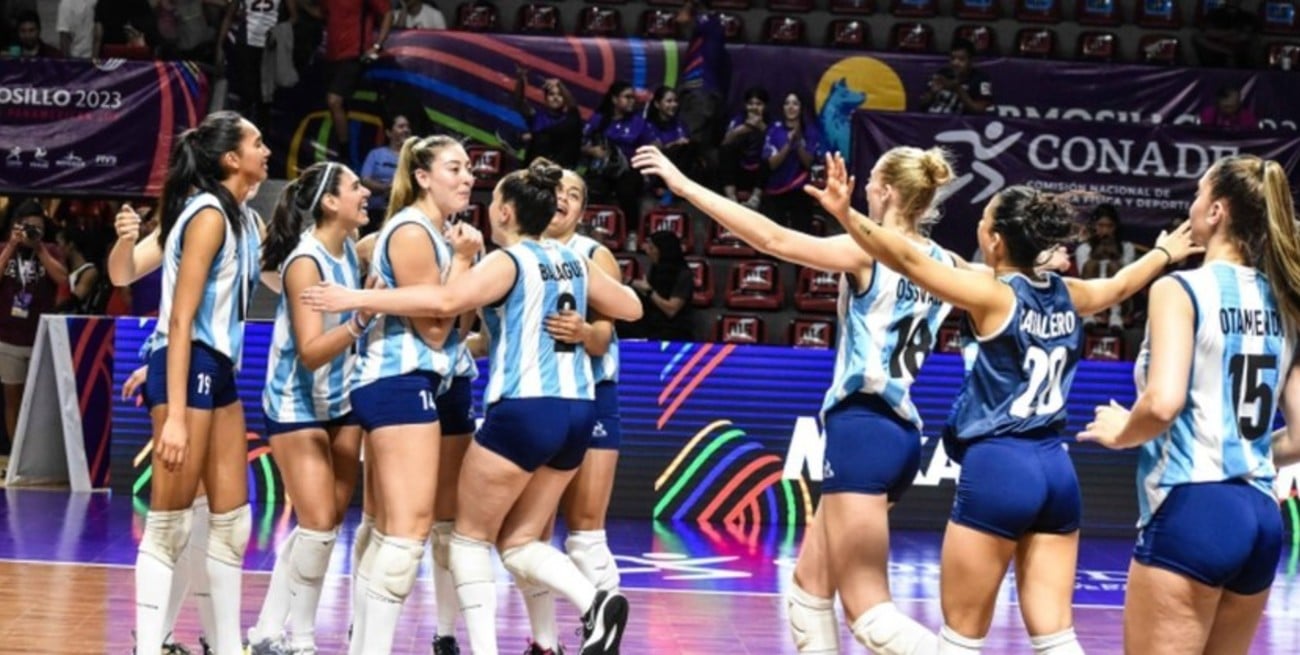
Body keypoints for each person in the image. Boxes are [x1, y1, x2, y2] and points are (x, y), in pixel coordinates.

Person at [811, 152, 1202, 655]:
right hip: (1057, 473)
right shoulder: (1069, 292)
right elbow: (1121, 285)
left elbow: (907, 260)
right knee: (1057, 638)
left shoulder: (990, 293)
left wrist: (846, 216)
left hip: (998, 466)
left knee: (959, 640)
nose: (978, 224)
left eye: (983, 219)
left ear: (995, 240)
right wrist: (1164, 254)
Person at [300, 158, 643, 655]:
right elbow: (631, 307)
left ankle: (485, 647)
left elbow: (442, 306)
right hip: (579, 413)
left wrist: (353, 297)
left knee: (467, 538)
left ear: (503, 212)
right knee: (521, 541)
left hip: (525, 409)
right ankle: (595, 600)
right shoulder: (573, 260)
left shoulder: (508, 260)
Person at [635, 143, 956, 655]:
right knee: (808, 597)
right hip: (898, 435)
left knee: (870, 615)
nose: (864, 186)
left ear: (887, 191)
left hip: (862, 429)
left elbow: (772, 238)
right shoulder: (946, 263)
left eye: (870, 178)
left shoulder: (865, 249)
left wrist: (684, 186)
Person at [1080, 154, 1300, 655]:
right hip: (1261, 519)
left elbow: (1162, 403)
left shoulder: (1179, 288)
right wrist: (1242, 449)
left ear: (1218, 211)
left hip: (1193, 508)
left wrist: (1121, 431)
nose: (1193, 205)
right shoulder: (1286, 299)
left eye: (1199, 194)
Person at [132, 110, 270, 655]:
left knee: (231, 522)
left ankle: (226, 645)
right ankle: (149, 646)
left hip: (217, 370)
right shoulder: (209, 214)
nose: (266, 150)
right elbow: (182, 319)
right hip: (192, 370)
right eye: (256, 143)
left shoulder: (241, 216)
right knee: (167, 526)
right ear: (231, 159)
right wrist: (177, 416)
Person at [346, 134, 474, 655]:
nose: (467, 177)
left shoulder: (444, 232)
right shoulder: (412, 231)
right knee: (404, 533)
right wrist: (466, 265)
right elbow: (437, 330)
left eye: (469, 168)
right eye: (454, 168)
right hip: (397, 379)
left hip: (435, 379)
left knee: (405, 528)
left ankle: (373, 641)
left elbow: (459, 326)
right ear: (422, 176)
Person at [243, 162, 371, 654]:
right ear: (330, 203)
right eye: (355, 186)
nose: (365, 193)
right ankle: (301, 640)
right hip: (295, 403)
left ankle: (265, 630)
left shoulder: (348, 255)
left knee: (322, 527)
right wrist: (362, 317)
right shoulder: (305, 262)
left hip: (341, 401)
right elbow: (312, 351)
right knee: (318, 526)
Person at [511, 170, 624, 655]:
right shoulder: (518, 253)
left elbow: (604, 335)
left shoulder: (594, 256)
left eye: (574, 195)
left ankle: (602, 634)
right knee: (529, 534)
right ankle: (544, 643)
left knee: (585, 533)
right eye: (557, 193)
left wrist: (581, 332)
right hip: (533, 397)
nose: (564, 201)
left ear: (582, 210)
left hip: (590, 395)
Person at [0, 200, 66, 464]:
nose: (31, 233)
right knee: (12, 398)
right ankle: (16, 455)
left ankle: (36, 456)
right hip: (8, 336)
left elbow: (63, 279)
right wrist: (12, 246)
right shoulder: (5, 249)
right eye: (27, 227)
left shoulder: (51, 250)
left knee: (40, 401)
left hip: (41, 336)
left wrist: (39, 249)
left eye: (37, 228)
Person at [582, 80, 652, 251]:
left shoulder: (638, 122)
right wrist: (592, 151)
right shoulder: (599, 119)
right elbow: (580, 142)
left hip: (629, 169)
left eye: (633, 98)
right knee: (590, 188)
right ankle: (588, 233)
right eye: (627, 97)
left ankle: (631, 234)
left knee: (626, 189)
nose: (631, 101)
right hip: (602, 168)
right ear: (614, 99)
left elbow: (652, 145)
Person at [321, 0, 392, 164]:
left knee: (334, 100)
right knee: (341, 106)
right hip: (332, 56)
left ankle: (344, 155)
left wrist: (377, 46)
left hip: (355, 55)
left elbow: (387, 14)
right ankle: (346, 156)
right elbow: (324, 14)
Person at [762, 92, 823, 233]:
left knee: (801, 231)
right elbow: (771, 164)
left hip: (800, 190)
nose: (791, 107)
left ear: (801, 108)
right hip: (776, 190)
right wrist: (788, 145)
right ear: (783, 108)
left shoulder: (811, 132)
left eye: (795, 104)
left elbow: (809, 164)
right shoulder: (773, 130)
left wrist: (798, 145)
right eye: (787, 103)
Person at [627, 230, 694, 342]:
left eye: (652, 248)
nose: (647, 251)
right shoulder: (656, 269)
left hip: (674, 331)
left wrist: (649, 291)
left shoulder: (684, 275)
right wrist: (628, 282)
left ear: (663, 251)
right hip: (652, 326)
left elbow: (671, 310)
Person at [514, 67, 583, 170]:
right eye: (551, 94)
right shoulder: (537, 118)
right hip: (534, 171)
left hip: (560, 172)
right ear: (545, 99)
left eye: (560, 95)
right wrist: (521, 79)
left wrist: (559, 84)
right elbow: (520, 102)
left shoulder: (571, 119)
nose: (555, 97)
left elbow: (573, 106)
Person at [359, 112, 411, 230]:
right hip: (376, 211)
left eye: (408, 127)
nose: (406, 130)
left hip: (403, 213)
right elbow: (364, 179)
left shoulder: (413, 157)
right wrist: (385, 188)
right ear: (388, 133)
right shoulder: (375, 154)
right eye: (401, 127)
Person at [720, 86, 769, 209]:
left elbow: (776, 141)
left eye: (759, 104)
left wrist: (761, 127)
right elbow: (725, 143)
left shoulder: (771, 121)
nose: (754, 107)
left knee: (768, 154)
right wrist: (745, 128)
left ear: (765, 106)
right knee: (726, 151)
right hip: (739, 169)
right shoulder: (738, 120)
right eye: (750, 104)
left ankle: (755, 198)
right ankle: (731, 198)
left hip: (760, 172)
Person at [918, 39, 993, 114]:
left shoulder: (981, 79)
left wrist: (958, 89)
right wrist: (932, 93)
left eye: (961, 59)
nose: (955, 63)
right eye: (952, 58)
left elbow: (981, 110)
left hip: (960, 124)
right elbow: (921, 105)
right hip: (933, 120)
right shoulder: (942, 74)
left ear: (971, 61)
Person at [56, 225, 109, 314]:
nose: (57, 248)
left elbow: (76, 299)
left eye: (59, 244)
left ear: (70, 245)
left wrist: (53, 310)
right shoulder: (66, 270)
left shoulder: (90, 271)